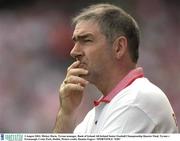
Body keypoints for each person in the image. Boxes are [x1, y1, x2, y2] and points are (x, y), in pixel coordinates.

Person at [53, 3, 179, 133]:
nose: (74, 52)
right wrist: (66, 113)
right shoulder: (97, 114)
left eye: (86, 40)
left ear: (119, 47)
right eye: (75, 41)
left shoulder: (136, 99)